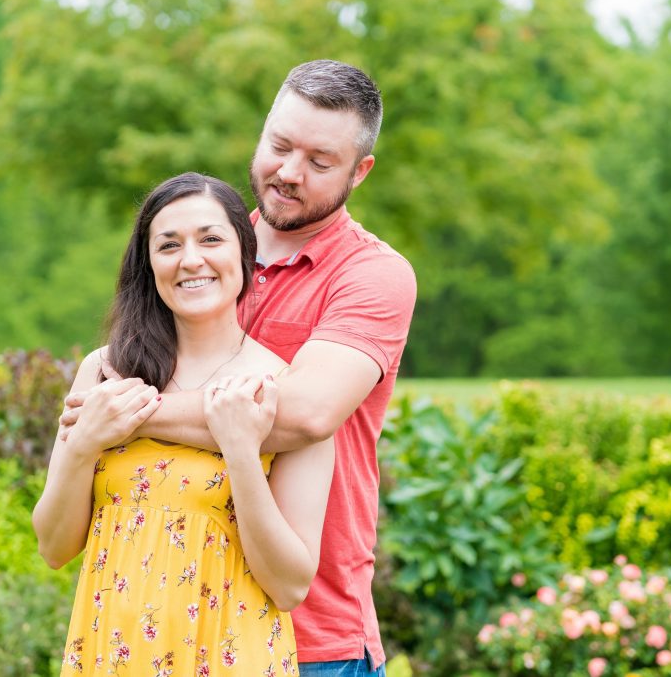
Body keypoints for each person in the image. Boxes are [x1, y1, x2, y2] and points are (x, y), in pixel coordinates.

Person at [62, 60, 417, 676]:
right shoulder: (200, 253)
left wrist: (122, 413)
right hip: (163, 629)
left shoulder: (372, 276)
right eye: (279, 145)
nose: (288, 171)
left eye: (319, 161)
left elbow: (304, 416)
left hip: (313, 636)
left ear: (360, 172)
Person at [34, 172, 335, 675]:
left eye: (210, 239)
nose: (190, 259)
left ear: (243, 252)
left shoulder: (281, 391)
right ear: (148, 264)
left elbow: (290, 586)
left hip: (228, 656)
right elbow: (54, 546)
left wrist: (240, 452)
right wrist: (83, 446)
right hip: (111, 656)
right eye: (168, 245)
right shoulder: (105, 373)